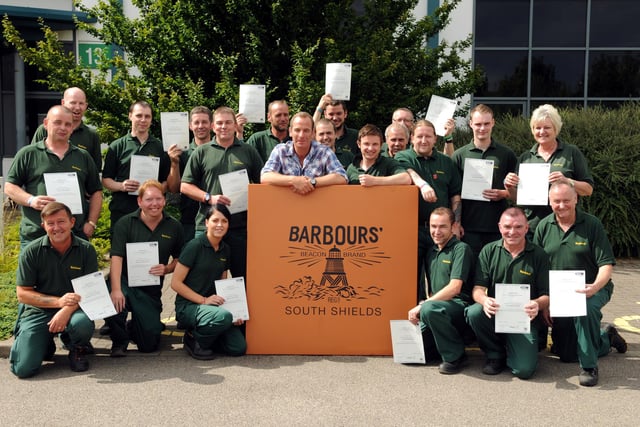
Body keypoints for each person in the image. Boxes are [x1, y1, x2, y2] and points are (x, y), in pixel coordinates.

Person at [533, 179, 627, 387]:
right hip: (559, 294)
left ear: (576, 199)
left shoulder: (592, 225)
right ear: (550, 202)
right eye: (556, 201)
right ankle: (606, 338)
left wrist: (595, 287)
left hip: (592, 288)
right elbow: (538, 269)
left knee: (584, 310)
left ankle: (589, 366)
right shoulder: (543, 226)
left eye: (567, 200)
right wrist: (545, 302)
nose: (561, 205)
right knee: (565, 353)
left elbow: (606, 265)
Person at [9, 202, 98, 378]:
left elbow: (91, 290)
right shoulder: (31, 252)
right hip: (40, 310)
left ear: (72, 222)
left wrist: (65, 309)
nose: (56, 227)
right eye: (50, 223)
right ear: (43, 226)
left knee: (81, 325)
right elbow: (23, 293)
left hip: (75, 309)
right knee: (23, 370)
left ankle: (77, 348)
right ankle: (44, 343)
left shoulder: (86, 249)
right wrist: (57, 302)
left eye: (61, 221)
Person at [465, 207, 550, 380]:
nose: (512, 232)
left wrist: (537, 304)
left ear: (527, 228)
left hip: (525, 319)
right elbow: (477, 289)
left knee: (524, 371)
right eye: (507, 227)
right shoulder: (489, 251)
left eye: (518, 227)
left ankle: (514, 350)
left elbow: (547, 295)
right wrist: (484, 300)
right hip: (497, 313)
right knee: (474, 312)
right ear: (499, 227)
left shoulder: (539, 255)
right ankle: (495, 355)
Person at [181, 106, 263, 279]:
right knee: (205, 279)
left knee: (244, 278)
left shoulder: (248, 151)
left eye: (228, 122)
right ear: (213, 126)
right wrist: (209, 198)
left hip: (240, 228)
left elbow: (263, 182)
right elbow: (185, 186)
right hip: (207, 227)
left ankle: (244, 307)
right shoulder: (201, 152)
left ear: (235, 125)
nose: (224, 127)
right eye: (219, 123)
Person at [105, 180, 185, 356]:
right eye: (149, 199)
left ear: (164, 201)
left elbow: (180, 259)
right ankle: (119, 341)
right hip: (124, 282)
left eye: (158, 199)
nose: (154, 204)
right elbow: (116, 258)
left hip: (150, 290)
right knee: (115, 301)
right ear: (139, 201)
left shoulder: (174, 226)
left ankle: (134, 326)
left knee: (149, 345)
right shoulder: (125, 223)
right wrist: (116, 289)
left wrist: (167, 269)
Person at [5, 105, 102, 247]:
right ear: (45, 124)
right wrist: (31, 200)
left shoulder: (83, 156)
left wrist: (91, 223)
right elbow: (9, 186)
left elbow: (96, 191)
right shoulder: (28, 154)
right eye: (57, 122)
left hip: (75, 235)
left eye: (68, 124)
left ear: (72, 128)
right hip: (36, 235)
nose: (63, 128)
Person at [395, 119, 462, 301]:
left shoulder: (446, 163)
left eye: (428, 136)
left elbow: (455, 195)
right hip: (413, 230)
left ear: (435, 139)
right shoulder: (403, 157)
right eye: (419, 136)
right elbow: (408, 171)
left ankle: (433, 319)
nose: (423, 140)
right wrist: (422, 184)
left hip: (441, 231)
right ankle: (412, 320)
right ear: (411, 139)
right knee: (412, 280)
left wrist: (456, 223)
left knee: (439, 279)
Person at [171, 204, 247, 360]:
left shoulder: (225, 249)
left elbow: (222, 283)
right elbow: (175, 283)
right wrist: (204, 300)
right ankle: (193, 338)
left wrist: (234, 310)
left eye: (224, 221)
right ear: (206, 223)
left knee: (238, 347)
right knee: (223, 318)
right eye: (215, 220)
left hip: (213, 306)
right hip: (189, 306)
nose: (220, 225)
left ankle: (208, 339)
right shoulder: (194, 246)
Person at [504, 104, 594, 235]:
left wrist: (567, 181)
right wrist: (509, 187)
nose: (542, 132)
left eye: (547, 127)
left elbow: (588, 190)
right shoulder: (525, 157)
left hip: (565, 227)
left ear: (556, 129)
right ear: (533, 130)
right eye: (537, 128)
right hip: (532, 228)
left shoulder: (571, 153)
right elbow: (517, 198)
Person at [407, 208, 474, 374]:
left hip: (458, 307)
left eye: (442, 226)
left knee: (429, 309)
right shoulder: (431, 251)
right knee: (408, 354)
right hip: (437, 309)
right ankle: (443, 346)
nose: (437, 231)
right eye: (433, 226)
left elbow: (454, 287)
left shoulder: (461, 249)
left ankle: (456, 356)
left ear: (453, 226)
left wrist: (423, 305)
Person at [102, 100, 182, 235]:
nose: (143, 120)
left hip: (151, 213)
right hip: (122, 211)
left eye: (147, 116)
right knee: (121, 253)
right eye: (139, 115)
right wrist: (122, 186)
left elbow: (165, 182)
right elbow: (105, 180)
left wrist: (155, 190)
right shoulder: (117, 146)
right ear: (130, 116)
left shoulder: (159, 146)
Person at [451, 104, 517, 257]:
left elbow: (518, 193)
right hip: (468, 228)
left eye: (486, 124)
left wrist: (503, 193)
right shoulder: (459, 155)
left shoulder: (506, 154)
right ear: (470, 124)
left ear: (493, 123)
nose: (482, 128)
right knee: (470, 274)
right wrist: (456, 223)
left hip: (499, 228)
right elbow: (455, 193)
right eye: (478, 124)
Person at [261, 112, 348, 194]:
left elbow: (341, 177)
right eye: (297, 130)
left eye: (306, 130)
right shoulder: (280, 150)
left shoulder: (324, 152)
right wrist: (293, 180)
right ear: (290, 132)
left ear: (313, 133)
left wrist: (312, 182)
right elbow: (265, 176)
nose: (301, 135)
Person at [31, 87, 102, 171]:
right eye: (73, 103)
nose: (77, 107)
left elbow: (95, 169)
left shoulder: (91, 135)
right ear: (63, 103)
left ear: (86, 106)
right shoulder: (45, 129)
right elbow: (33, 159)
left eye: (81, 103)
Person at [178, 106, 213, 241]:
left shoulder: (222, 150)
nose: (200, 126)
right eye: (196, 122)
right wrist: (174, 163)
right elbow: (175, 188)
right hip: (189, 219)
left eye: (204, 122)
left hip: (217, 217)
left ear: (211, 125)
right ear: (190, 126)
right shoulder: (182, 152)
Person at [346, 124, 410, 186]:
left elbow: (406, 178)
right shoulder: (351, 168)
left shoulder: (388, 163)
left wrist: (374, 181)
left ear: (381, 145)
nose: (370, 148)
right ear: (359, 144)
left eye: (375, 144)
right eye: (366, 144)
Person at [391, 107, 456, 156]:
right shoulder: (383, 146)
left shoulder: (421, 143)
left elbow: (447, 160)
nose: (402, 123)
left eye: (406, 120)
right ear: (392, 121)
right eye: (399, 120)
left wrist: (448, 137)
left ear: (412, 123)